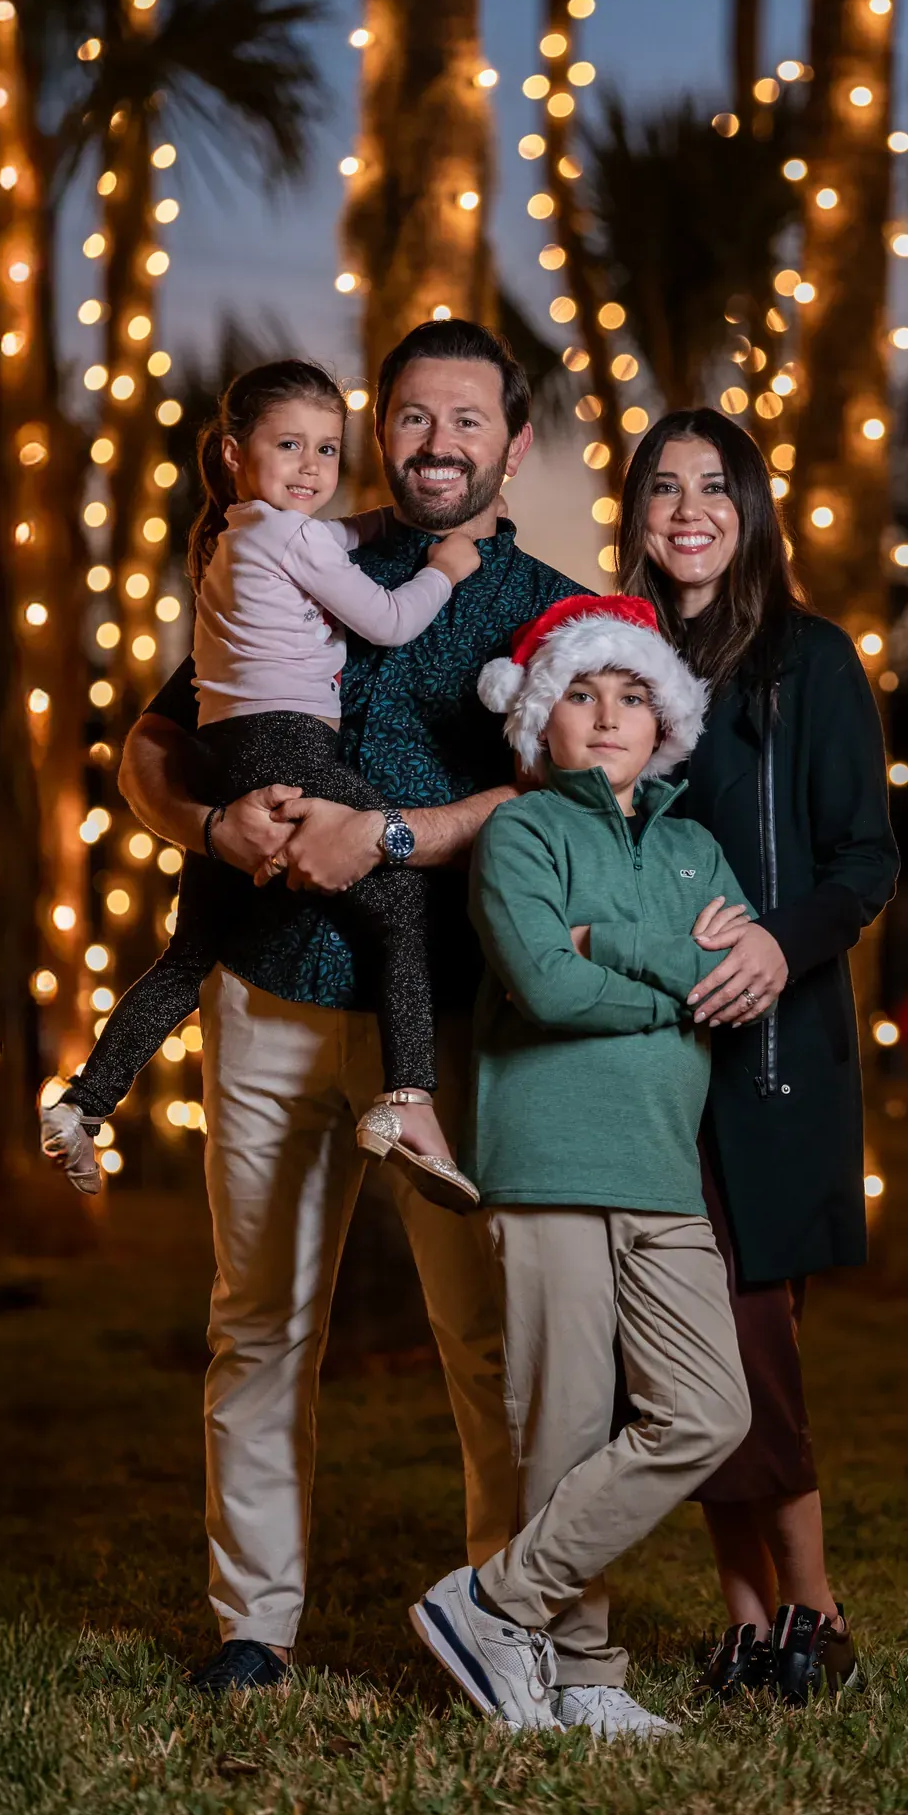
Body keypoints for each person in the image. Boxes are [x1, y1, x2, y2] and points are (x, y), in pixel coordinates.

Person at [115, 319, 580, 1692]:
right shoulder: (286, 542)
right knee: (257, 1318)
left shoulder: (549, 610)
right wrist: (204, 829)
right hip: (264, 994)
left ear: (515, 443)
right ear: (385, 427)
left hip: (437, 1019)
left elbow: (570, 797)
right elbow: (152, 740)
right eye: (414, 418)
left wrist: (395, 838)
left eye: (467, 422)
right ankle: (254, 1627)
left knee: (483, 1332)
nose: (438, 444)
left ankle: (505, 1616)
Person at [412, 594, 754, 1739]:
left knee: (706, 1411)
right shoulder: (520, 833)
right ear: (536, 720)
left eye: (630, 693)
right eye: (579, 691)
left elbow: (731, 990)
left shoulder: (695, 846)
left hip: (662, 1167)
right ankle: (586, 1678)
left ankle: (491, 1603)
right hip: (548, 1162)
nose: (607, 716)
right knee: (557, 1429)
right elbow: (544, 990)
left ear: (665, 720)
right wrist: (657, 980)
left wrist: (609, 943)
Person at [41, 360, 482, 1211]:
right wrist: (448, 566)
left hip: (224, 753)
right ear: (237, 454)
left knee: (189, 954)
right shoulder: (288, 538)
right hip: (285, 742)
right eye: (290, 445)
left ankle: (84, 1103)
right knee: (398, 903)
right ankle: (409, 1099)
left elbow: (339, 536)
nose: (314, 465)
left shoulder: (238, 535)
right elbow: (389, 620)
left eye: (327, 447)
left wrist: (388, 521)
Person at [616, 410, 899, 1705]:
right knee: (676, 1348)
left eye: (715, 487)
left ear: (753, 510)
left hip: (773, 1050)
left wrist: (784, 948)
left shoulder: (812, 662)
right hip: (640, 1056)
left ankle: (815, 1609)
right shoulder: (610, 665)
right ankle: (743, 1616)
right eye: (664, 487)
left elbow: (866, 862)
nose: (689, 510)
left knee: (747, 1335)